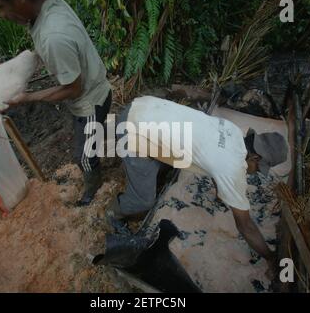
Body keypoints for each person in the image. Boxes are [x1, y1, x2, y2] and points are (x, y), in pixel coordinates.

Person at [108, 96, 289, 275]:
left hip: (146, 105)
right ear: (255, 158)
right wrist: (270, 258)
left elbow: (214, 163)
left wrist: (222, 194)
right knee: (144, 200)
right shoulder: (231, 167)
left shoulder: (233, 132)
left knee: (166, 159)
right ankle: (113, 214)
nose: (255, 172)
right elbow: (246, 226)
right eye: (258, 168)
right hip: (132, 129)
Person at [0, 0, 112, 206]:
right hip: (95, 83)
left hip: (90, 103)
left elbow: (73, 88)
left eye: (0, 6)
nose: (1, 15)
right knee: (91, 135)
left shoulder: (53, 36)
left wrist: (27, 98)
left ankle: (94, 189)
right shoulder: (46, 0)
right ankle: (103, 135)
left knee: (83, 157)